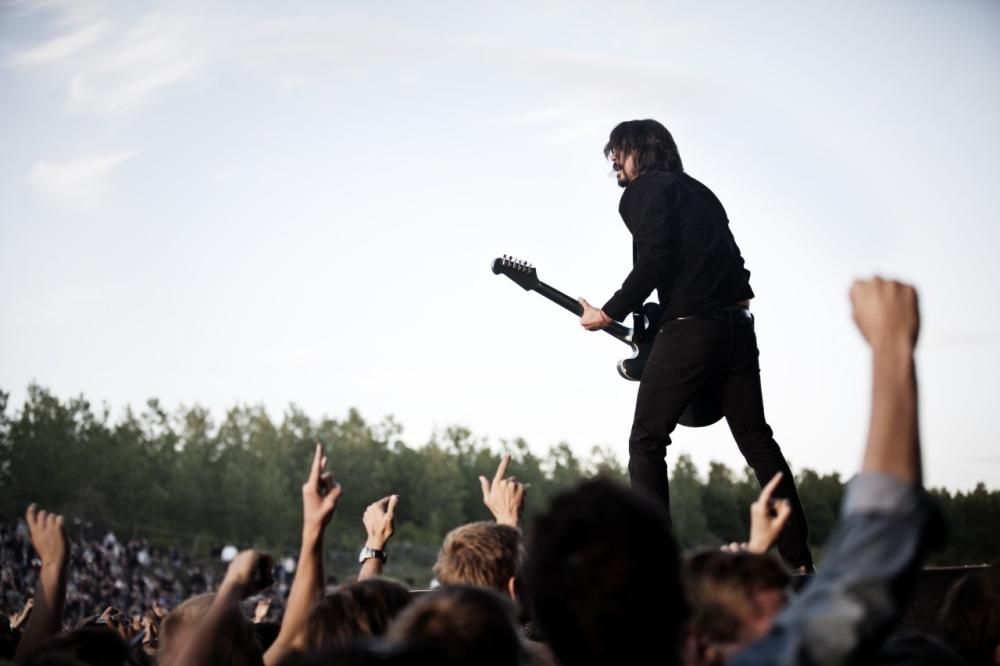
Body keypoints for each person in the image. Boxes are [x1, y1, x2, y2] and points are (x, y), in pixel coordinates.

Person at [577, 118, 812, 569]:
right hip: (739, 325)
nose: (614, 160)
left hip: (692, 328)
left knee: (646, 441)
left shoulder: (644, 191)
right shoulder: (701, 192)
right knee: (758, 440)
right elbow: (731, 264)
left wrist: (609, 312)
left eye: (620, 150)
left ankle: (656, 569)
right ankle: (800, 562)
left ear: (644, 151)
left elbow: (655, 261)